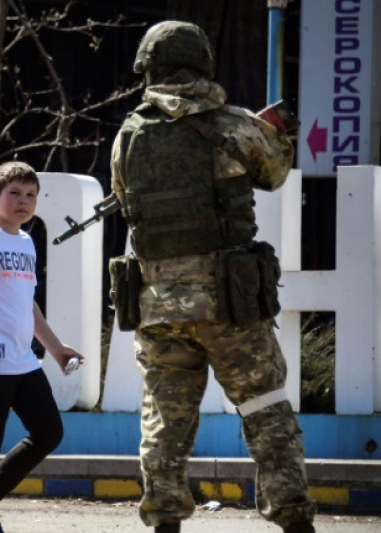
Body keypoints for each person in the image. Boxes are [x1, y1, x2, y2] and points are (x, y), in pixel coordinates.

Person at [110, 21, 316, 533]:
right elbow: (273, 174)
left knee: (164, 422)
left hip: (157, 305)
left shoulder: (129, 133)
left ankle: (164, 522)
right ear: (203, 63)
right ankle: (294, 521)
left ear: (150, 67)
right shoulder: (235, 124)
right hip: (229, 303)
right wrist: (280, 135)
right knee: (266, 410)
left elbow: (123, 195)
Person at [0, 161, 84, 533]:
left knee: (48, 432)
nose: (23, 202)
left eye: (30, 196)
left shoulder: (25, 242)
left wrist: (55, 349)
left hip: (23, 359)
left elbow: (28, 304)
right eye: (14, 194)